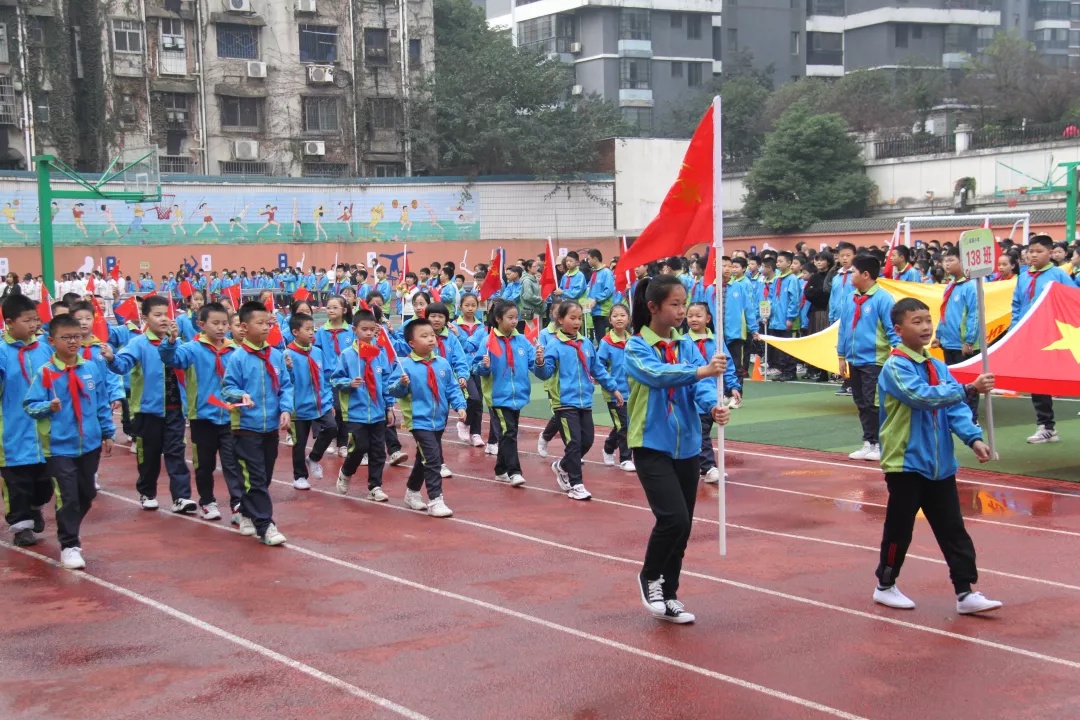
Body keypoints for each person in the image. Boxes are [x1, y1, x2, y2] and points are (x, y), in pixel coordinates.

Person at [874, 297, 1002, 615]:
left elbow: (954, 408)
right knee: (899, 528)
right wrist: (969, 388)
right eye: (917, 321)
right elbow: (922, 397)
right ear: (899, 329)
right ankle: (885, 585)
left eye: (928, 320)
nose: (926, 327)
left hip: (940, 464)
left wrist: (973, 439)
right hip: (905, 462)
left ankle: (965, 592)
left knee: (952, 528)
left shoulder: (938, 364)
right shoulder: (895, 366)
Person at [626, 275, 731, 624]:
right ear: (653, 307)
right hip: (650, 444)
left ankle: (669, 592)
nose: (682, 311)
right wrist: (701, 370)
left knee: (684, 527)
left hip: (686, 446)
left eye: (684, 303)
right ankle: (650, 578)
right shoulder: (637, 346)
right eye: (674, 304)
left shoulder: (686, 345)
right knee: (673, 518)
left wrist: (713, 407)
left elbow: (697, 388)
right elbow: (658, 376)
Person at [24, 314, 115, 569]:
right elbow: (30, 406)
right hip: (58, 446)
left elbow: (101, 402)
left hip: (89, 443)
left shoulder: (90, 368)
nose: (73, 342)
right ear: (52, 341)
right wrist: (47, 406)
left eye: (77, 336)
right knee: (68, 495)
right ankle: (70, 544)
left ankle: (68, 520)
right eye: (66, 338)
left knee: (87, 493)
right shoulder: (46, 373)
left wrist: (107, 432)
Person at [104, 295, 197, 513]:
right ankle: (147, 492)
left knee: (176, 452)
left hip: (175, 409)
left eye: (167, 314)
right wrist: (111, 358)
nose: (164, 319)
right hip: (148, 411)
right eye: (157, 315)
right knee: (150, 456)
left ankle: (181, 497)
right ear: (145, 318)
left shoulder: (178, 342)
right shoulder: (138, 343)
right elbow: (122, 364)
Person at [158, 302, 244, 522]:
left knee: (231, 463)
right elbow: (171, 359)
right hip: (202, 417)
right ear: (201, 324)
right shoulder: (191, 349)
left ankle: (237, 505)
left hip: (229, 416)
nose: (220, 328)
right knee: (204, 464)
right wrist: (170, 341)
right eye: (215, 323)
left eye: (224, 323)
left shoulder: (234, 350)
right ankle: (207, 501)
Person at [221, 301, 293, 545]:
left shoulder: (275, 355)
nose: (265, 328)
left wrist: (285, 409)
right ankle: (266, 524)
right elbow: (227, 388)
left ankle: (244, 511)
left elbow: (285, 386)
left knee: (266, 475)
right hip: (246, 427)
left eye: (268, 323)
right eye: (259, 323)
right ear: (244, 326)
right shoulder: (239, 357)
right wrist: (240, 395)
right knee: (256, 477)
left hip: (269, 427)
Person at [540, 300, 622, 501]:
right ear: (560, 320)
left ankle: (562, 466)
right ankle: (576, 484)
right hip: (564, 402)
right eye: (572, 318)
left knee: (587, 441)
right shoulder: (553, 345)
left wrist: (613, 388)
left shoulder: (586, 344)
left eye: (579, 318)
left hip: (585, 400)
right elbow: (545, 373)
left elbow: (598, 369)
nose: (577, 322)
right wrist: (540, 362)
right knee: (574, 443)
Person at [387, 318, 467, 518]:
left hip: (439, 419)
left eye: (432, 335)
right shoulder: (405, 366)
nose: (431, 339)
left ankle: (412, 492)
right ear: (411, 343)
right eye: (424, 336)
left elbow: (452, 387)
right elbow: (392, 390)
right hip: (418, 420)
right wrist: (401, 384)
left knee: (424, 458)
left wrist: (460, 405)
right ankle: (435, 500)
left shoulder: (442, 363)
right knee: (433, 458)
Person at [474, 299, 546, 487]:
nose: (514, 321)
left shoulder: (522, 341)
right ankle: (514, 471)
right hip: (498, 396)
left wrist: (539, 361)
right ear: (498, 319)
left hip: (518, 395)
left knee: (508, 433)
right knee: (510, 432)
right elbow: (476, 368)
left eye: (516, 317)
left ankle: (500, 469)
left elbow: (536, 368)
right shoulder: (488, 342)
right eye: (510, 318)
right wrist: (484, 366)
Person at [0, 294, 53, 547]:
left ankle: (35, 506)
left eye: (36, 319)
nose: (34, 325)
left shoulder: (45, 348)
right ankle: (21, 525)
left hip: (44, 428)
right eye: (27, 320)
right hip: (11, 427)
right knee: (17, 480)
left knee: (44, 480)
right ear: (9, 322)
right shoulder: (2, 352)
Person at [837, 255, 900, 462]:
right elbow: (844, 327)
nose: (850, 274)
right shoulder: (851, 298)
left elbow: (892, 330)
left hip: (875, 360)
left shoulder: (883, 299)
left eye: (853, 271)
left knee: (875, 403)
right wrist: (841, 355)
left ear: (865, 275)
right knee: (861, 403)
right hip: (854, 360)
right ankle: (869, 442)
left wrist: (898, 355)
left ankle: (882, 444)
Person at [1011, 235, 1071, 444]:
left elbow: (1071, 301)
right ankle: (1046, 425)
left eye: (1039, 251)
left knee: (1053, 377)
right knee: (1035, 379)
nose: (1033, 255)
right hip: (1029, 333)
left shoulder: (1058, 275)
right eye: (1031, 251)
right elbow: (1017, 304)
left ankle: (1047, 425)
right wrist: (1014, 329)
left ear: (1050, 253)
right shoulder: (1023, 276)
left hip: (1053, 335)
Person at [332, 308, 395, 501]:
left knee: (378, 451)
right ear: (354, 329)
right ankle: (346, 471)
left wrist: (389, 406)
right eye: (363, 329)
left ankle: (375, 486)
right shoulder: (347, 355)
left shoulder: (379, 354)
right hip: (355, 412)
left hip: (377, 412)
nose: (368, 333)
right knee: (359, 447)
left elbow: (385, 381)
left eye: (371, 329)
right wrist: (348, 383)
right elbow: (335, 379)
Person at [686, 302, 740, 484]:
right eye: (690, 315)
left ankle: (700, 465)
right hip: (692, 398)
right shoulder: (683, 342)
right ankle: (708, 467)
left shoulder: (716, 342)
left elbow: (728, 365)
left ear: (708, 319)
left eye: (698, 315)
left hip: (713, 396)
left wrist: (733, 386)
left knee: (703, 431)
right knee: (701, 433)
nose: (694, 319)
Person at [285, 313, 336, 490]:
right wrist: (289, 369)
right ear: (295, 332)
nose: (311, 333)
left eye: (312, 329)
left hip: (320, 404)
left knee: (331, 428)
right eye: (307, 329)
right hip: (298, 406)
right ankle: (299, 476)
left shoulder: (317, 352)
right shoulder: (288, 354)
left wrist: (328, 400)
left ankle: (314, 457)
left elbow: (327, 376)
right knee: (299, 443)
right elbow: (285, 382)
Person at [933, 247, 979, 421]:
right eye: (946, 260)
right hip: (949, 342)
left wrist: (969, 341)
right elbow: (944, 311)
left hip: (964, 345)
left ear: (964, 262)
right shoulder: (950, 286)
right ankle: (957, 418)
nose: (946, 264)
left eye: (951, 260)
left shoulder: (971, 286)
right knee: (953, 383)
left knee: (969, 384)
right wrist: (938, 335)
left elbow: (975, 314)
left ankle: (971, 420)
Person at [315, 296, 355, 457]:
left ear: (344, 310)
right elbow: (317, 353)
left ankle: (343, 443)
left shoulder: (351, 331)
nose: (330, 310)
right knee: (332, 409)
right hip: (328, 377)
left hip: (346, 377)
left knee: (345, 410)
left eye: (334, 307)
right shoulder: (321, 332)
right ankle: (333, 438)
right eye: (328, 307)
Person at [596, 304, 634, 472]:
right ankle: (626, 458)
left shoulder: (633, 341)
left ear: (628, 319)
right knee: (624, 426)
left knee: (625, 424)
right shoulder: (606, 343)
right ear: (610, 320)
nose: (619, 318)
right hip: (615, 393)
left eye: (622, 315)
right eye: (615, 316)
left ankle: (608, 447)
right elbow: (599, 368)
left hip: (633, 392)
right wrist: (612, 387)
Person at [586, 250, 615, 342]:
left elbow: (609, 290)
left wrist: (596, 299)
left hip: (604, 312)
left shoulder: (606, 272)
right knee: (599, 338)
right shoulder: (594, 273)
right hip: (595, 311)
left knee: (604, 339)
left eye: (589, 259)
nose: (588, 261)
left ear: (595, 259)